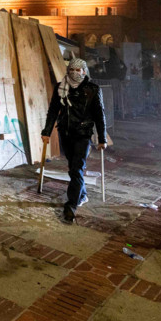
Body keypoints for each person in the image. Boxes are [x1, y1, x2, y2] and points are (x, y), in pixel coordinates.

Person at [41, 57, 107, 224]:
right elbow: (53, 111)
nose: (75, 73)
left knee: (77, 168)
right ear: (68, 70)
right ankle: (82, 194)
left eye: (79, 70)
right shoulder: (61, 88)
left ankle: (71, 206)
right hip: (65, 133)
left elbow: (100, 115)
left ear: (84, 72)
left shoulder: (92, 89)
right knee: (73, 168)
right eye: (72, 69)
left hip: (83, 134)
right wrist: (47, 131)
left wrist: (102, 138)